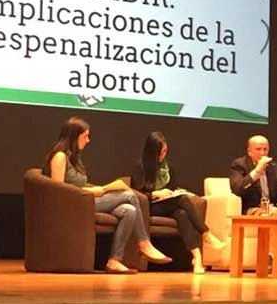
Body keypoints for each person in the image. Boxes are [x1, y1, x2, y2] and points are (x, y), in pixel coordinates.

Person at [44, 116, 171, 274]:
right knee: (130, 196)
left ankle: (114, 260)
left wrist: (100, 188)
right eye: (85, 136)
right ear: (74, 136)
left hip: (86, 199)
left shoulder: (74, 158)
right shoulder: (59, 157)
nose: (88, 140)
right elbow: (59, 190)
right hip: (75, 204)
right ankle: (144, 243)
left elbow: (79, 184)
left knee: (129, 211)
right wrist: (93, 191)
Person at [131, 131, 227, 274]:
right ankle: (206, 234)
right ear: (153, 152)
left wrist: (175, 192)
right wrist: (155, 193)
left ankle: (197, 258)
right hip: (149, 207)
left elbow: (173, 189)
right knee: (183, 200)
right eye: (161, 152)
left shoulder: (168, 169)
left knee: (181, 213)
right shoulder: (141, 167)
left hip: (167, 205)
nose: (164, 155)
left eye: (165, 151)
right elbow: (136, 194)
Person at [229, 135, 277, 272]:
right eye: (258, 149)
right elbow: (237, 188)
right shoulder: (239, 165)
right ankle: (269, 258)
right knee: (274, 215)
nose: (262, 153)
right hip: (252, 208)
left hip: (272, 208)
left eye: (265, 149)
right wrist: (257, 171)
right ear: (249, 151)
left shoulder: (275, 168)